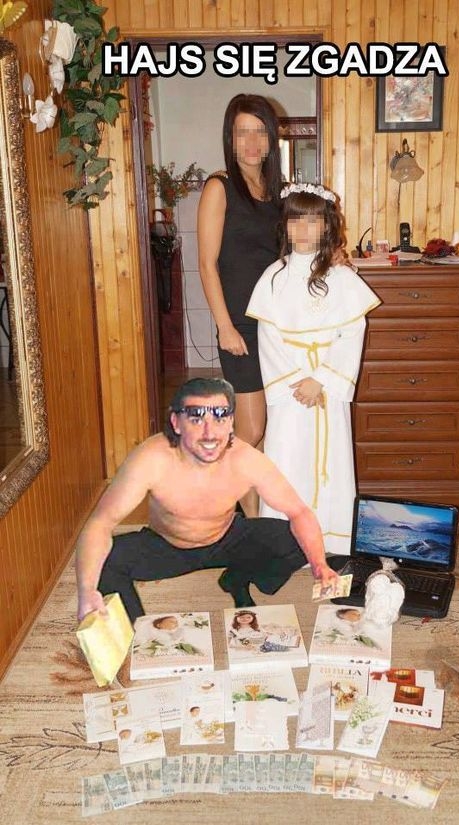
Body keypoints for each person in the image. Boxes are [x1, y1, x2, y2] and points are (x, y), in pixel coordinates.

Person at [75, 376, 337, 625]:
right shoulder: (152, 458)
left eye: (220, 418)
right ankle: (136, 634)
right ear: (176, 423)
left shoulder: (245, 459)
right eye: (196, 419)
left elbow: (299, 512)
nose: (210, 433)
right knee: (104, 561)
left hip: (226, 538)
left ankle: (237, 578)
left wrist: (319, 565)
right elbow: (100, 523)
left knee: (296, 540)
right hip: (169, 546)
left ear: (231, 422)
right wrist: (86, 590)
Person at [246, 183, 381, 555]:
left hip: (326, 389)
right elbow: (268, 337)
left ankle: (331, 540)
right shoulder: (273, 277)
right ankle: (284, 544)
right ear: (284, 226)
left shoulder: (341, 277)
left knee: (331, 462)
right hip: (291, 393)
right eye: (295, 221)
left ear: (326, 226)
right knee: (287, 458)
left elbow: (353, 331)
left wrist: (321, 379)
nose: (303, 230)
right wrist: (298, 382)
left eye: (312, 221)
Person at [197, 94, 283, 516]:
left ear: (270, 139)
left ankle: (253, 522)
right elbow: (206, 264)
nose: (251, 142)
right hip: (240, 326)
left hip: (274, 324)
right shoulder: (219, 187)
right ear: (230, 139)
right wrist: (224, 326)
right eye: (242, 132)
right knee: (250, 428)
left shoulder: (276, 192)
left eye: (259, 132)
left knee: (263, 432)